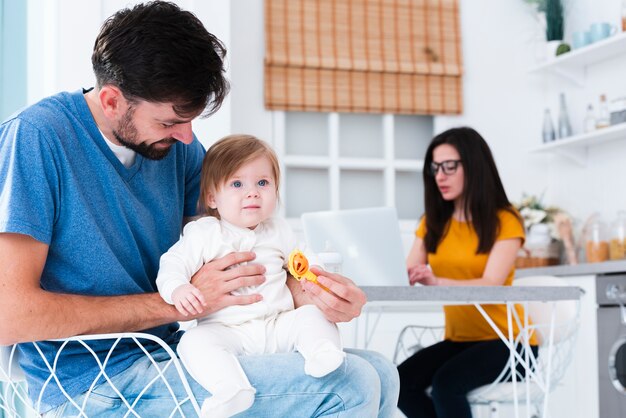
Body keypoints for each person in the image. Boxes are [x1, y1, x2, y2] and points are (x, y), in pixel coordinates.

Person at [0, 2, 399, 417]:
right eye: (171, 121)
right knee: (350, 385)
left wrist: (313, 296)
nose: (188, 138)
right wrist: (175, 305)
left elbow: (235, 254)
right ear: (112, 100)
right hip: (93, 385)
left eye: (191, 120)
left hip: (164, 355)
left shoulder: (176, 150)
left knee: (382, 372)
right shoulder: (36, 139)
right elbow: (8, 315)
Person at [156, 134, 345, 417]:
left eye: (263, 183)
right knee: (193, 342)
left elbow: (304, 259)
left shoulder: (279, 230)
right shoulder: (205, 233)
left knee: (312, 317)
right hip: (227, 331)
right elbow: (172, 264)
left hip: (277, 324)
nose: (253, 192)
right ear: (212, 197)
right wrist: (178, 289)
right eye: (237, 184)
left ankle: (322, 352)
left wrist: (317, 277)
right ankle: (230, 388)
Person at [396, 127, 538, 418]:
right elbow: (409, 271)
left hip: (511, 343)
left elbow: (491, 283)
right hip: (461, 340)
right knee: (400, 383)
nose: (440, 176)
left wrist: (435, 281)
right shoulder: (433, 222)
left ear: (474, 166)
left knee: (446, 385)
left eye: (450, 166)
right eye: (435, 168)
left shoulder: (505, 220)